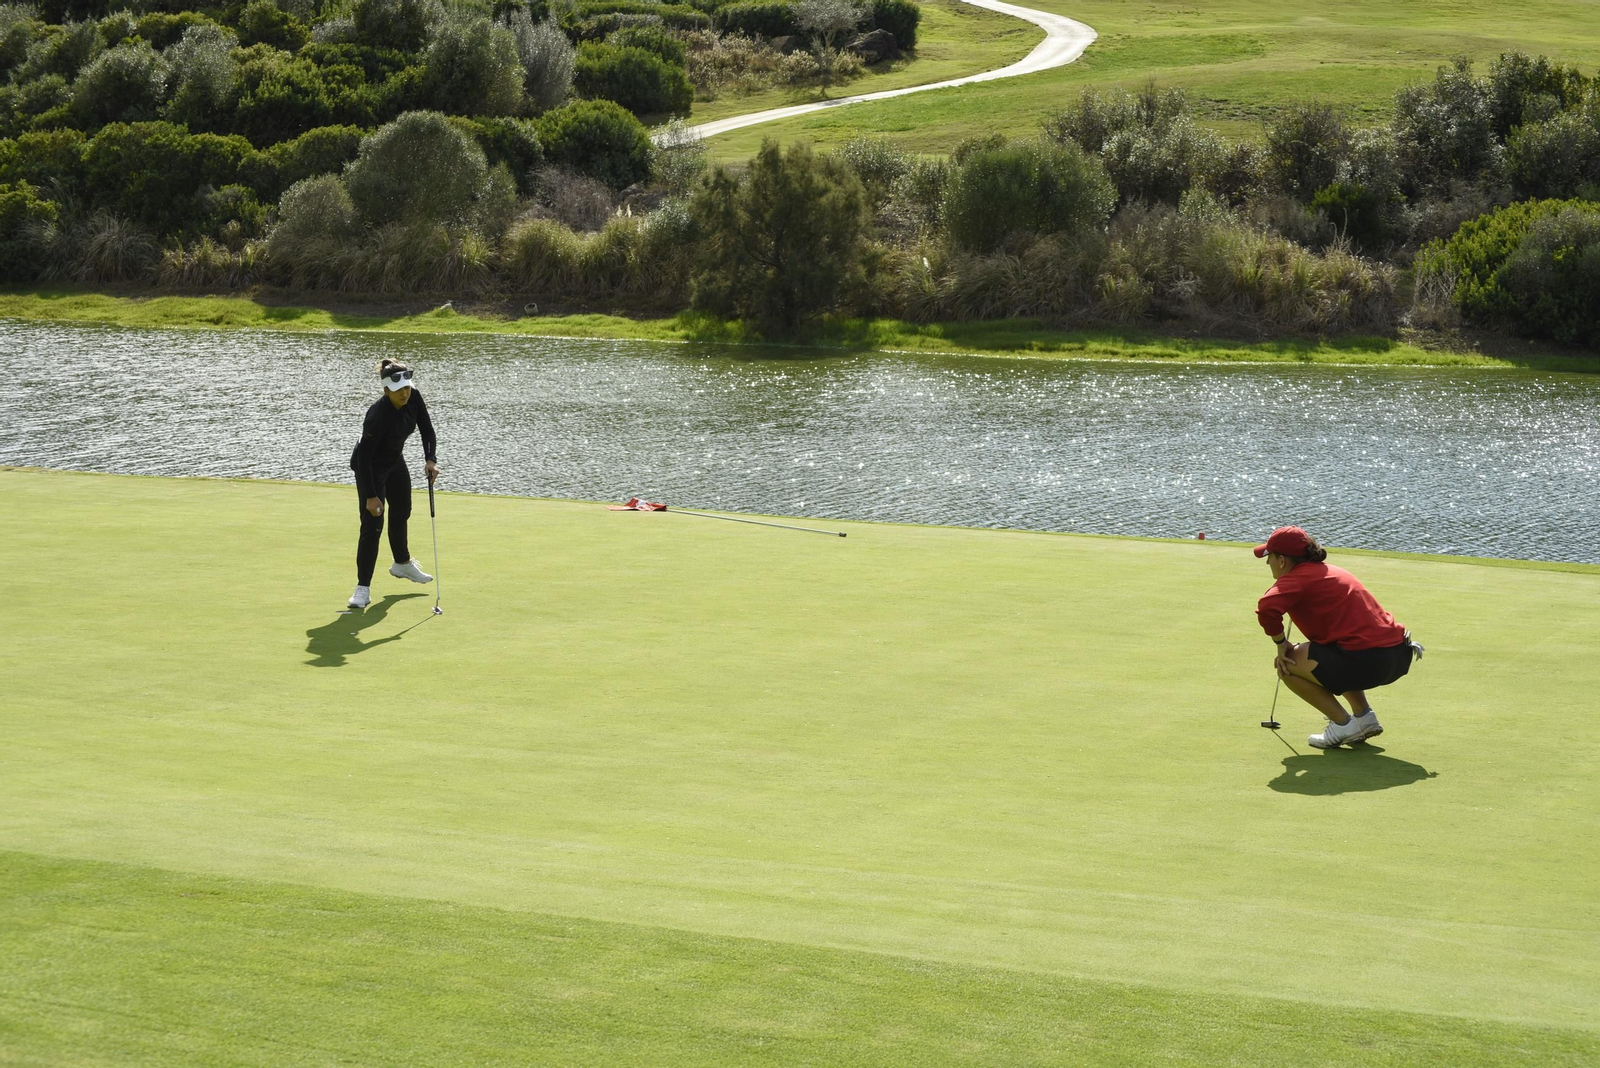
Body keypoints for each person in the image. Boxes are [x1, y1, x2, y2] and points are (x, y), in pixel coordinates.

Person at [1254, 526, 1423, 749]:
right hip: (1398, 656)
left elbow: (1266, 608)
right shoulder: (1332, 570)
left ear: (1282, 560)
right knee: (1334, 651)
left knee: (1287, 664)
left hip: (1367, 661)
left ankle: (1343, 724)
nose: (1268, 563)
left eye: (1270, 557)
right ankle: (1364, 717)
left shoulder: (1296, 580)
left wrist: (1281, 643)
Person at [347, 359, 440, 610]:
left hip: (394, 461)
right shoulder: (376, 415)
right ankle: (362, 588)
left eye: (407, 388)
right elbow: (364, 458)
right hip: (370, 467)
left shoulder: (414, 398)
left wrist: (430, 460)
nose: (405, 393)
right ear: (386, 391)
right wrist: (370, 496)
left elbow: (427, 430)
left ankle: (401, 563)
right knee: (373, 524)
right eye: (399, 390)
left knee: (402, 510)